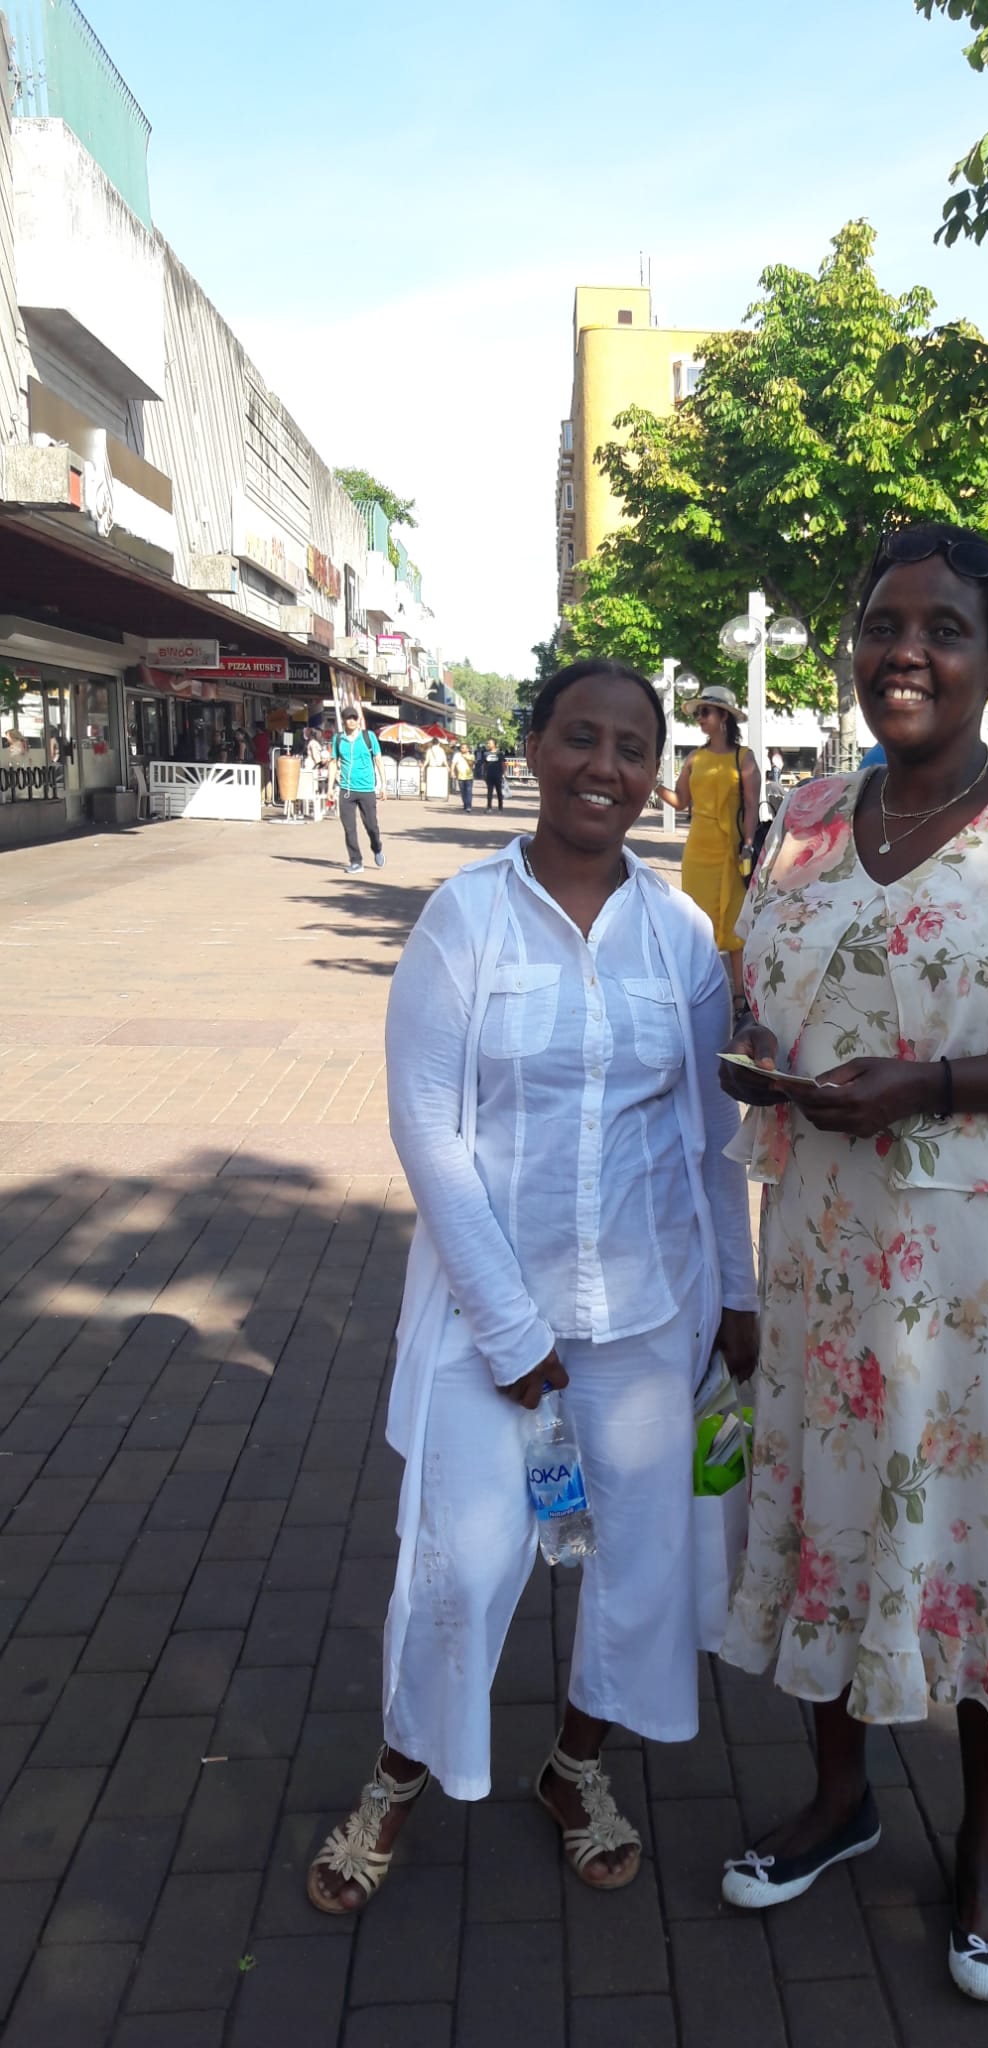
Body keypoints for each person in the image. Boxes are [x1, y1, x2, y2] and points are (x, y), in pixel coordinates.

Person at [715, 522, 988, 2003]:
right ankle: (840, 1801)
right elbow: (768, 977)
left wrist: (935, 1087)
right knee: (830, 1521)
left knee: (986, 1541)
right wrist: (768, 1056)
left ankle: (981, 1850)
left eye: (943, 629)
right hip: (829, 1255)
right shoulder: (799, 813)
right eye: (881, 622)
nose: (903, 650)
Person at [305, 658, 757, 1916]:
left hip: (650, 1314)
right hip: (485, 1315)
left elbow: (713, 1133)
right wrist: (509, 1329)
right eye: (580, 739)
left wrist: (739, 1294)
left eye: (631, 747)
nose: (605, 767)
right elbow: (429, 1133)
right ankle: (397, 1776)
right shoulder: (465, 917)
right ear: (537, 746)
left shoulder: (680, 937)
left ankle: (574, 1768)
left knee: (643, 1561)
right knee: (461, 1560)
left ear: (656, 769)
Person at [654, 683, 761, 1017]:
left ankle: (740, 995)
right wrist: (653, 785)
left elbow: (751, 805)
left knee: (733, 919)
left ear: (724, 717)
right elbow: (681, 800)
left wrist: (747, 845)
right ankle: (698, 988)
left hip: (730, 848)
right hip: (698, 848)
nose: (700, 718)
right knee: (696, 918)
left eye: (705, 712)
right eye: (699, 712)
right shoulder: (695, 758)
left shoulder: (743, 758)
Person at [332, 708, 386, 874]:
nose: (351, 721)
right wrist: (329, 788)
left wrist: (383, 785)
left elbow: (378, 759)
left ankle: (377, 847)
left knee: (371, 826)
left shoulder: (368, 737)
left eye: (354, 718)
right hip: (346, 789)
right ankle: (356, 861)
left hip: (366, 789)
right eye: (348, 718)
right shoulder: (339, 739)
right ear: (343, 720)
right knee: (349, 828)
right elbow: (334, 762)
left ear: (359, 719)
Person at [450, 741, 475, 812]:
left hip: (469, 777)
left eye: (464, 748)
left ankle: (469, 806)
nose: (462, 749)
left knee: (469, 792)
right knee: (463, 792)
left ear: (467, 749)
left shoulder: (471, 755)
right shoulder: (457, 755)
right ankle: (465, 804)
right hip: (460, 776)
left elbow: (471, 765)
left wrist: (465, 758)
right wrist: (452, 772)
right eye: (461, 748)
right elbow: (453, 763)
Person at [483, 738, 506, 811]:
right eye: (487, 743)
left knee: (499, 791)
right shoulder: (486, 754)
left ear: (494, 744)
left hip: (498, 775)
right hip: (489, 775)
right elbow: (484, 764)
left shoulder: (499, 753)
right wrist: (484, 773)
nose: (488, 744)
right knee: (489, 792)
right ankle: (489, 807)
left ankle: (500, 807)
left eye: (489, 743)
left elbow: (503, 764)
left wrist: (504, 773)